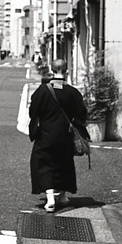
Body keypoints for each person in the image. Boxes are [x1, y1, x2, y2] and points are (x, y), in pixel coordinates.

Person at [27, 58, 88, 212]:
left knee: (43, 163)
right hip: (65, 135)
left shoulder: (42, 91)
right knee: (64, 163)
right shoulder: (72, 92)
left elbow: (33, 111)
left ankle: (49, 198)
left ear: (51, 70)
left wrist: (35, 128)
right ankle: (62, 196)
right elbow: (81, 114)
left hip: (45, 134)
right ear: (67, 71)